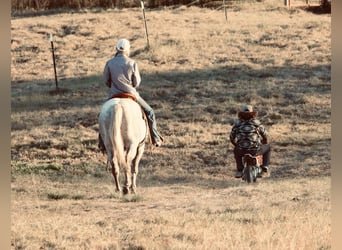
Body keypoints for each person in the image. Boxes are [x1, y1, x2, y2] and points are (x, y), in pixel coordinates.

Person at [99, 38, 163, 149]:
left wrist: (114, 87)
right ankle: (155, 138)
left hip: (114, 95)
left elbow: (106, 80)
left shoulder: (109, 63)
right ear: (128, 50)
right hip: (131, 95)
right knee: (150, 112)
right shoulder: (132, 63)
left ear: (116, 49)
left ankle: (102, 143)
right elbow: (137, 82)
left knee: (102, 116)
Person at [229, 104, 271, 178]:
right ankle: (264, 167)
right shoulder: (256, 123)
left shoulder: (237, 123)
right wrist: (265, 141)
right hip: (255, 150)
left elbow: (232, 137)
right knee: (268, 148)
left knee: (236, 150)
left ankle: (240, 170)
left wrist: (237, 145)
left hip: (241, 150)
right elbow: (265, 135)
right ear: (252, 113)